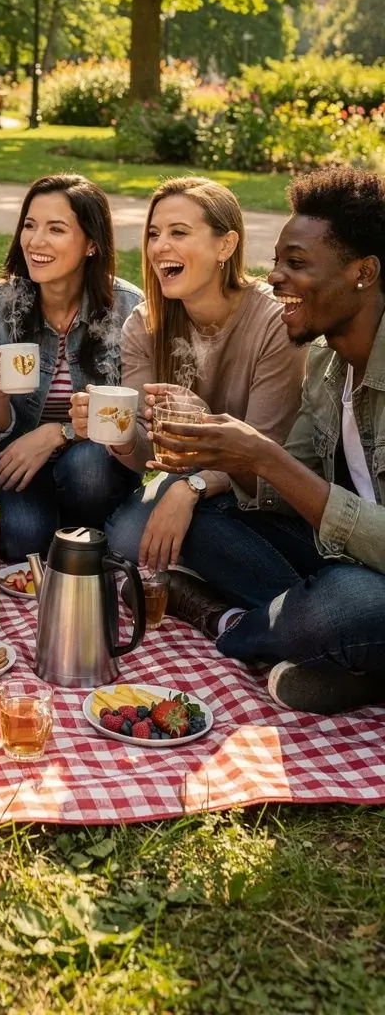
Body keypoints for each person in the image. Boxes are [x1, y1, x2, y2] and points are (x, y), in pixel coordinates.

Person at [146, 166, 385, 715]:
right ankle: (348, 659)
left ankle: (228, 625)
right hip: (344, 558)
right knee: (204, 516)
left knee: (341, 603)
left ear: (363, 272)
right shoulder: (327, 361)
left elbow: (285, 468)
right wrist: (224, 457)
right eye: (277, 261)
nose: (274, 277)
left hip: (361, 583)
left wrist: (262, 455)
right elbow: (286, 481)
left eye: (296, 264)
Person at [72, 177, 306, 572]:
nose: (159, 246)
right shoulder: (145, 324)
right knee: (128, 538)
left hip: (265, 481)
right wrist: (118, 431)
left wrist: (192, 486)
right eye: (154, 233)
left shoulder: (274, 320)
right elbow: (149, 456)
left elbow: (268, 449)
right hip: (196, 473)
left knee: (173, 536)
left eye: (179, 232)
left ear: (225, 245)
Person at [0, 174, 142, 560]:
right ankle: (62, 530)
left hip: (96, 461)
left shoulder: (129, 310)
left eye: (56, 229)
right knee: (22, 539)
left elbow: (132, 418)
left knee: (88, 469)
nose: (35, 241)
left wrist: (58, 432)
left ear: (91, 244)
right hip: (16, 459)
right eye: (30, 225)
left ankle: (88, 532)